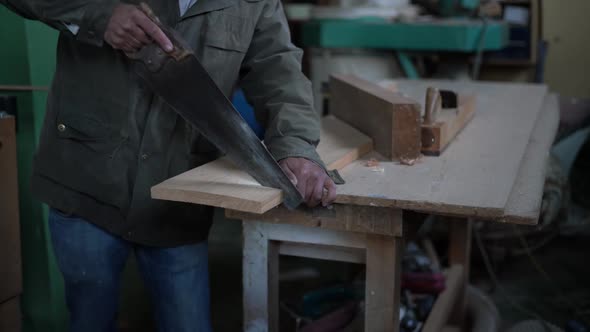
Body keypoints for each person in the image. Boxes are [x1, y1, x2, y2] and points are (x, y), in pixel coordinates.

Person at [1, 0, 337, 331]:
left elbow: (278, 68)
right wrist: (98, 14)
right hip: (86, 183)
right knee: (90, 320)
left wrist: (295, 147)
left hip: (177, 201)